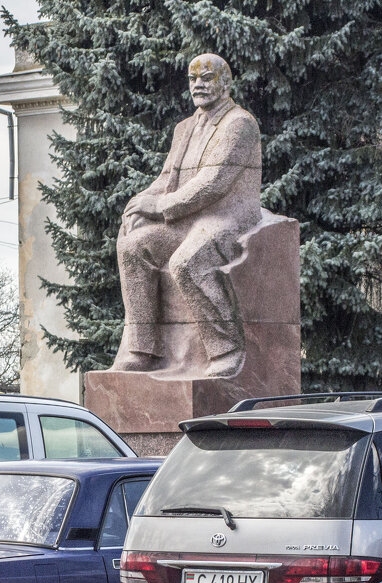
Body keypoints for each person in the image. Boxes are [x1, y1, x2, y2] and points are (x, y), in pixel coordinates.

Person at [112, 53, 262, 378]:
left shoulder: (240, 124)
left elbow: (213, 184)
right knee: (133, 247)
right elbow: (167, 180)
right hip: (187, 220)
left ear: (225, 83)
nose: (198, 85)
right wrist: (139, 203)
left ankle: (226, 350)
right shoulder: (185, 128)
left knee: (188, 262)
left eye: (206, 78)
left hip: (228, 218)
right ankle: (142, 350)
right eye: (193, 79)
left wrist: (160, 208)